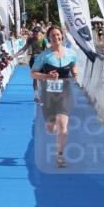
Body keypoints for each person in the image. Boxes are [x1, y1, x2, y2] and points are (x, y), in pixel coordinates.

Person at [30, 25, 80, 168]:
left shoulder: (71, 53)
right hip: (49, 95)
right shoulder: (44, 56)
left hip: (65, 93)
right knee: (51, 128)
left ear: (62, 37)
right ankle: (53, 125)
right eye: (53, 36)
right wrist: (47, 76)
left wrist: (75, 73)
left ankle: (60, 156)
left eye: (58, 35)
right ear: (49, 39)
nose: (56, 38)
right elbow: (32, 73)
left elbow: (74, 64)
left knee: (63, 128)